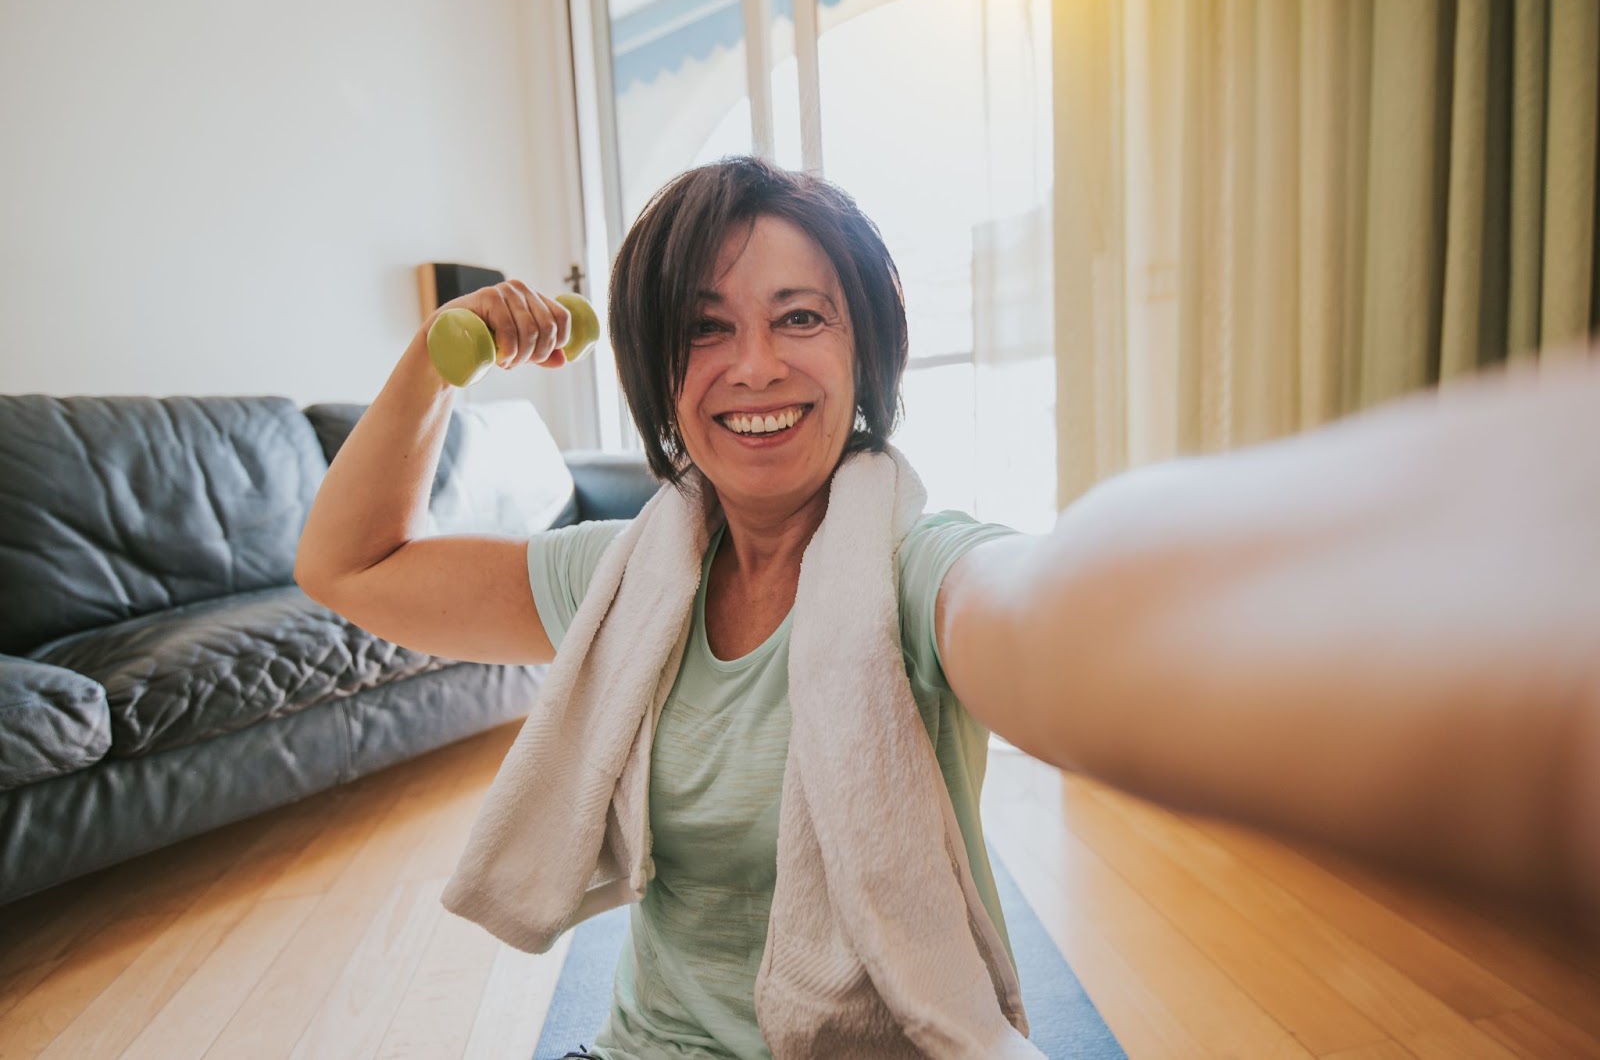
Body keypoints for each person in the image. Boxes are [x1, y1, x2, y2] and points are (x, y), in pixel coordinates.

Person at [295, 157, 1600, 1059]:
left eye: (798, 315)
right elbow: (349, 569)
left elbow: (1057, 614)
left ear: (861, 348)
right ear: (658, 374)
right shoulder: (618, 580)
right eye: (703, 329)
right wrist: (435, 357)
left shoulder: (919, 570)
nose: (753, 365)